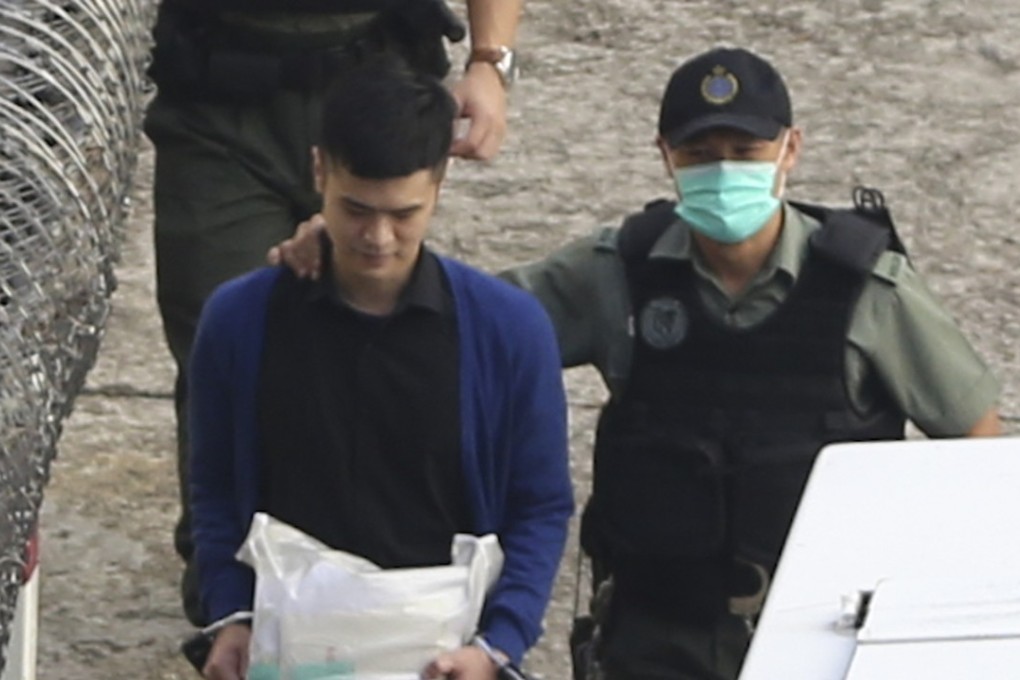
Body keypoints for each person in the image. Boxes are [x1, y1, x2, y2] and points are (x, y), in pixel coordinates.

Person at [270, 47, 1003, 679]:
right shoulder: (615, 272)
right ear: (665, 156)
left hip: (820, 632)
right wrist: (345, 244)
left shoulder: (867, 290)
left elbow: (975, 443)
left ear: (790, 150)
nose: (722, 172)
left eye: (744, 154)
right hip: (658, 630)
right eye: (700, 155)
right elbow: (461, 327)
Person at [144, 0, 524, 626]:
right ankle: (231, 605)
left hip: (376, 68)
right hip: (222, 95)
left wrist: (490, 60)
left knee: (378, 316)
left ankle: (371, 583)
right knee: (226, 337)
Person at [188, 62, 572, 680]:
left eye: (404, 213)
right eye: (355, 209)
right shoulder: (239, 322)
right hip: (291, 655)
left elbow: (541, 506)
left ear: (439, 188)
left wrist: (500, 644)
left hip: (440, 657)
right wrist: (230, 614)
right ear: (319, 171)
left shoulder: (509, 332)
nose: (378, 237)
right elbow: (214, 488)